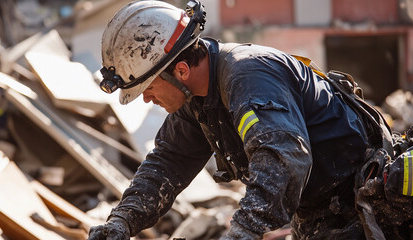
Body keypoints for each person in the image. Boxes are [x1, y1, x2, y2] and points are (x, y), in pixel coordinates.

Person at [88, 1, 404, 239]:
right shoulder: (195, 99)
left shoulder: (248, 75)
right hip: (321, 215)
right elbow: (168, 162)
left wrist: (242, 232)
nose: (146, 98)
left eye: (148, 87)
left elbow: (284, 158)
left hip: (365, 207)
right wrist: (122, 221)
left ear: (180, 71)